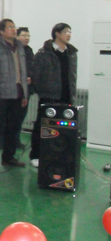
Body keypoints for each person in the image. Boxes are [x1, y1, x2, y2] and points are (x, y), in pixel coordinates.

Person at [0, 19, 29, 170]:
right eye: (9, 27)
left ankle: (8, 157)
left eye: (14, 27)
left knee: (13, 128)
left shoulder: (20, 47)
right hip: (1, 94)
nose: (13, 30)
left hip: (18, 93)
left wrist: (25, 94)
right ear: (1, 32)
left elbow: (23, 72)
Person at [30, 23, 77, 168]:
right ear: (57, 34)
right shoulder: (44, 53)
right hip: (49, 96)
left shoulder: (71, 53)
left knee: (63, 128)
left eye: (70, 32)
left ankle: (58, 155)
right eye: (66, 32)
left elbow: (72, 76)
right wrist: (44, 92)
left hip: (66, 96)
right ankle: (36, 155)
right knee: (42, 125)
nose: (69, 35)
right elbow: (35, 76)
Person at [16, 27, 35, 149]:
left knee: (21, 116)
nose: (26, 38)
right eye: (24, 35)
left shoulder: (29, 51)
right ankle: (3, 140)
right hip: (16, 88)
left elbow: (32, 67)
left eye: (28, 36)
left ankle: (16, 140)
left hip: (26, 89)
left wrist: (31, 77)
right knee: (12, 117)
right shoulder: (14, 50)